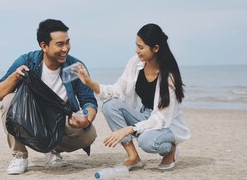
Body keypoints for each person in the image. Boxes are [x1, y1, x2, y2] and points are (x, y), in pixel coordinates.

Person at [76, 23, 191, 170]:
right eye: (136, 46)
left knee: (146, 142)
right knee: (110, 105)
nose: (137, 51)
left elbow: (160, 119)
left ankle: (170, 149)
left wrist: (130, 129)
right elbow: (117, 90)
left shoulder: (169, 78)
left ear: (156, 48)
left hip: (166, 124)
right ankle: (133, 157)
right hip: (143, 116)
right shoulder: (135, 63)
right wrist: (89, 83)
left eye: (141, 47)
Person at [0, 19, 98, 175]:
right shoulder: (27, 61)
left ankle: (52, 150)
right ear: (44, 46)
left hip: (60, 120)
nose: (66, 49)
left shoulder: (74, 67)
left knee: (89, 134)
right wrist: (15, 76)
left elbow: (89, 101)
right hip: (32, 117)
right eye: (60, 44)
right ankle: (19, 156)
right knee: (8, 101)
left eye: (67, 42)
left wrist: (86, 118)